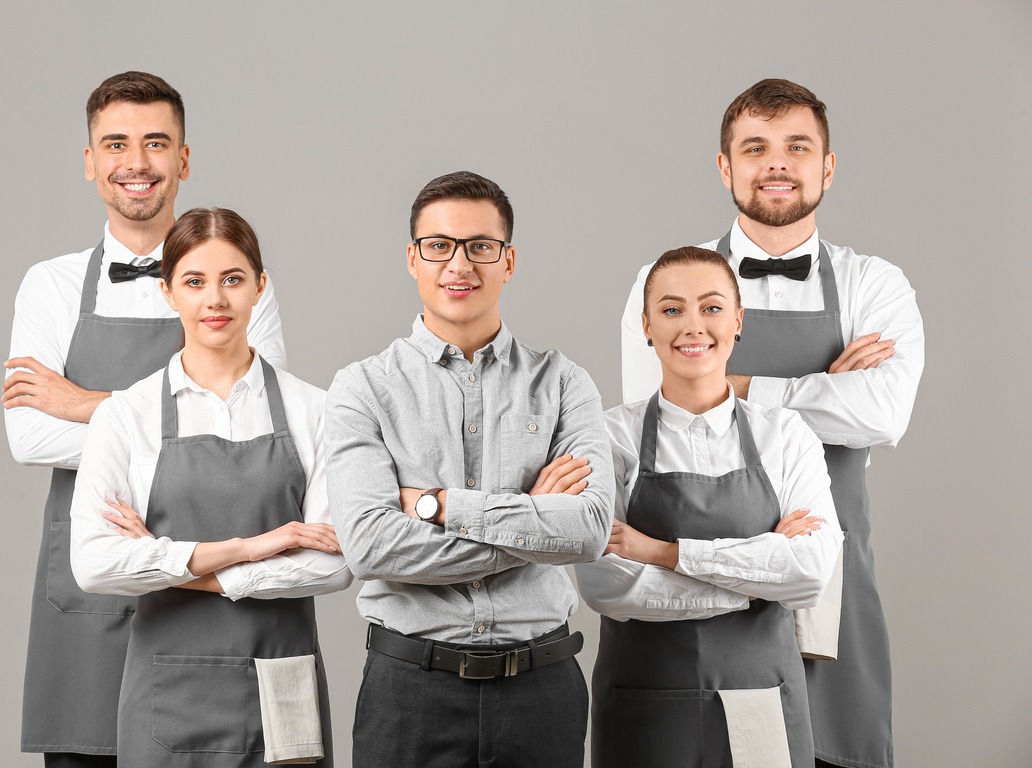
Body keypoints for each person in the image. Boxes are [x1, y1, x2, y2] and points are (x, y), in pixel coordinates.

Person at [620, 79, 924, 768]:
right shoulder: (662, 280)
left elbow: (884, 411)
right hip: (692, 593)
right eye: (755, 147)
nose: (777, 163)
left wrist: (735, 384)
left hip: (827, 575)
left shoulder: (875, 283)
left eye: (797, 146)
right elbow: (660, 423)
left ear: (827, 165)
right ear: (726, 167)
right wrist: (824, 388)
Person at [3, 72, 286, 766]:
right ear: (92, 163)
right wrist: (186, 421)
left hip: (222, 581)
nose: (137, 162)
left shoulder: (239, 278)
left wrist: (86, 403)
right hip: (93, 589)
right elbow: (29, 435)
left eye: (156, 143)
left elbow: (259, 431)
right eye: (117, 144)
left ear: (183, 161)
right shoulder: (52, 283)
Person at [324, 171, 614, 768]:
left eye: (481, 246)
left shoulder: (563, 383)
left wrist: (436, 506)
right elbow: (370, 548)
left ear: (508, 261)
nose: (460, 264)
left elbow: (588, 530)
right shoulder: (363, 388)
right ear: (413, 258)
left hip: (543, 688)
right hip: (408, 691)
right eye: (440, 245)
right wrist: (536, 526)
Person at [69, 207, 349, 767]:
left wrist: (179, 566)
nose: (214, 300)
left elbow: (336, 565)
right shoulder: (127, 416)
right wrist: (256, 545)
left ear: (259, 288)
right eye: (194, 282)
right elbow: (94, 565)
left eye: (233, 279)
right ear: (168, 292)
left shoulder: (316, 410)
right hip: (166, 697)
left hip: (282, 688)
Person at [580, 246, 842, 767]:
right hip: (644, 706)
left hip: (761, 704)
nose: (693, 326)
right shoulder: (608, 438)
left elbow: (812, 575)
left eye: (713, 307)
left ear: (738, 319)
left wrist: (662, 553)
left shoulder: (786, 435)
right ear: (647, 326)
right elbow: (607, 586)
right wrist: (757, 586)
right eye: (672, 309)